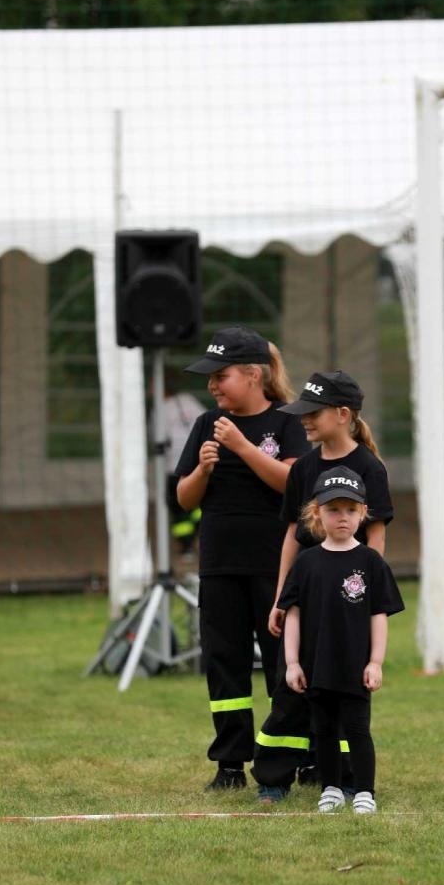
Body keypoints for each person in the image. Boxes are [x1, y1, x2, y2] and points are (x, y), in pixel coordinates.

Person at [174, 326, 311, 791]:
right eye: (209, 378)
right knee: (224, 663)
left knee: (283, 663)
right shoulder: (206, 425)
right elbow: (185, 499)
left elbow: (292, 484)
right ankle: (230, 764)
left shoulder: (288, 422)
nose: (212, 385)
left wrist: (242, 447)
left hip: (275, 567)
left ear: (254, 375)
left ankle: (296, 754)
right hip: (219, 566)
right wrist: (203, 468)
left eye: (221, 375)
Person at [251, 370, 394, 801]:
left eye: (312, 414)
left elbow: (377, 537)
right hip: (307, 596)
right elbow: (293, 537)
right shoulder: (305, 469)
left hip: (348, 602)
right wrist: (281, 597)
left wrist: (365, 597)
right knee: (292, 689)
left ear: (343, 415)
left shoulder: (370, 468)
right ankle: (274, 778)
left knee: (347, 693)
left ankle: (346, 780)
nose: (304, 422)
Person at [279, 466, 404, 813]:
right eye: (334, 509)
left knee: (358, 729)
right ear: (317, 512)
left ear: (363, 512)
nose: (343, 517)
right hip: (316, 664)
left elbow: (379, 614)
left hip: (354, 665)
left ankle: (365, 791)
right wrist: (292, 662)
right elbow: (293, 613)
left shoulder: (370, 562)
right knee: (323, 730)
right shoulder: (305, 563)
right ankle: (331, 788)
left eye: (351, 510)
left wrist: (375, 661)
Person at [156, 372, 206, 556]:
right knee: (197, 504)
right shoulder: (188, 400)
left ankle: (186, 545)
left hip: (173, 466)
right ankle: (194, 535)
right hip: (195, 462)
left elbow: (156, 436)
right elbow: (205, 421)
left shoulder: (161, 408)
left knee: (178, 507)